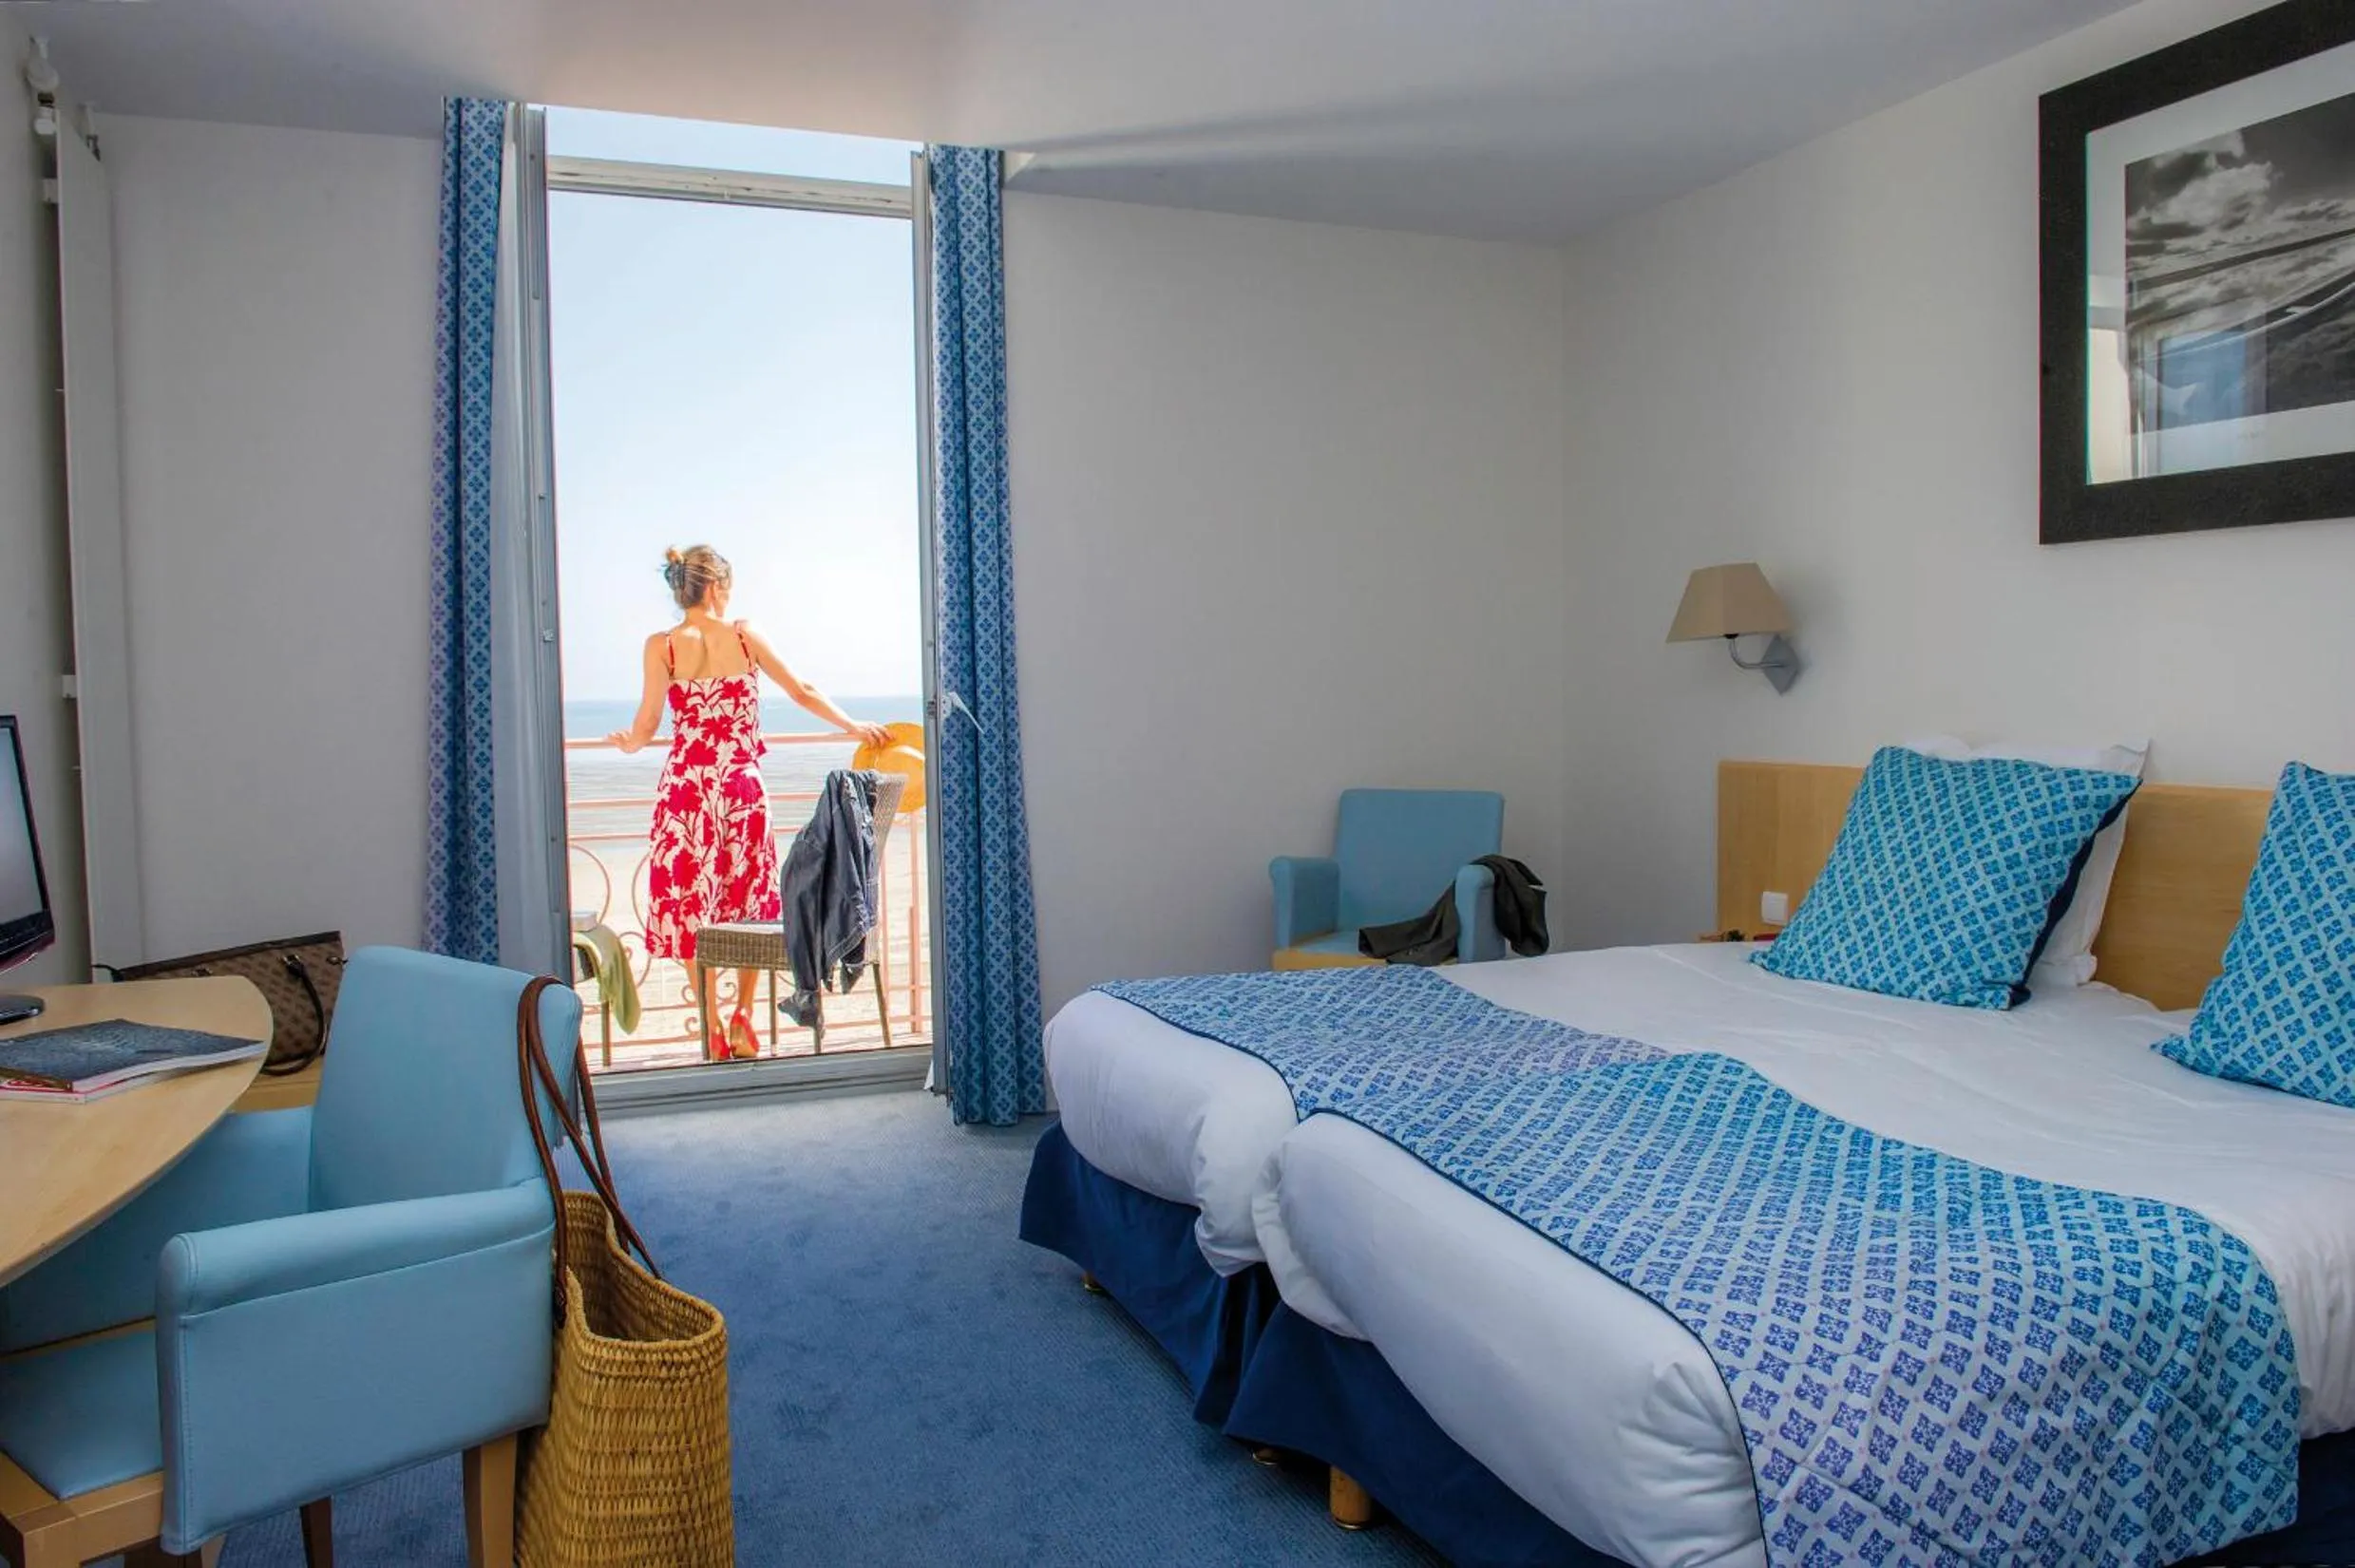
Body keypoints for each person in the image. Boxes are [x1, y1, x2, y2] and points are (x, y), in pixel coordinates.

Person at [609, 544, 894, 1061]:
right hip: (740, 789)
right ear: (717, 587)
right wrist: (852, 725)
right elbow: (802, 691)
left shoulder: (663, 646)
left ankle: (713, 1027)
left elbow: (648, 723)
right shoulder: (744, 634)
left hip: (686, 792)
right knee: (747, 900)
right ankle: (742, 1015)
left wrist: (629, 742)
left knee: (690, 905)